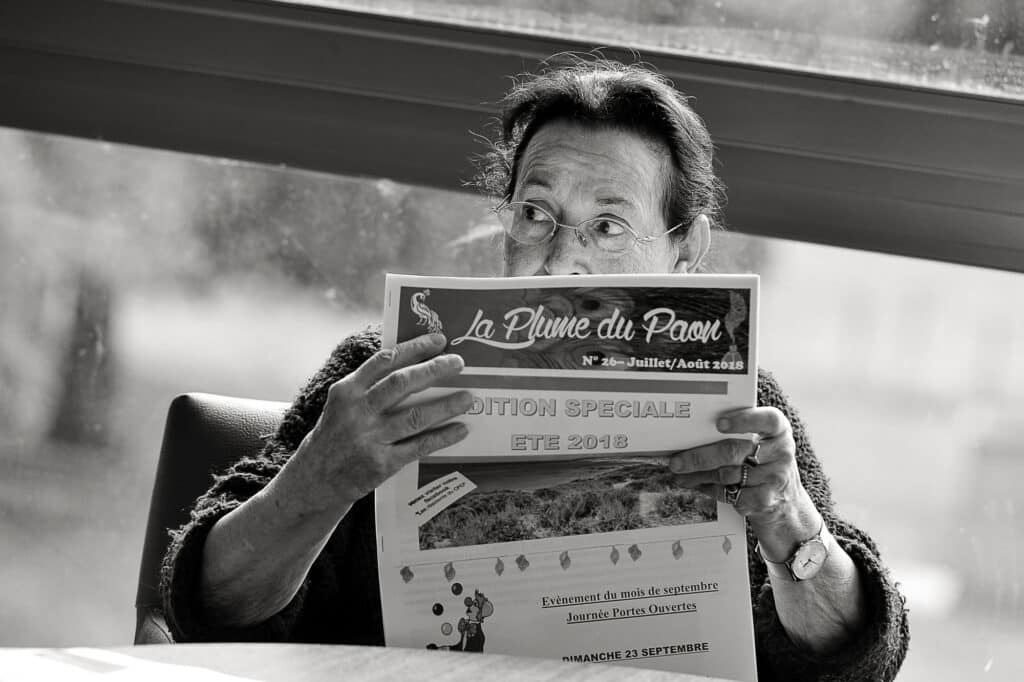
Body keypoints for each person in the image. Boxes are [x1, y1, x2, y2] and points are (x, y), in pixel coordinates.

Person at [161, 58, 909, 680]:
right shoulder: (386, 372)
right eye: (534, 213)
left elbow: (865, 661)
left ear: (686, 249)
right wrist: (318, 481)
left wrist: (789, 524)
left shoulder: (740, 403)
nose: (559, 260)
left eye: (608, 226)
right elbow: (203, 608)